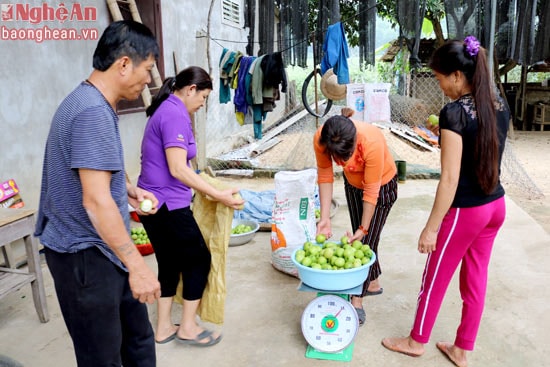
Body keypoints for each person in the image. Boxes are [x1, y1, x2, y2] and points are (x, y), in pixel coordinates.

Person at [34, 20, 161, 367]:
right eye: (148, 69)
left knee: (137, 340)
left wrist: (127, 190)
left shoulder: (88, 102)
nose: (149, 79)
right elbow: (95, 200)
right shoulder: (92, 111)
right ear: (123, 64)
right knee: (102, 358)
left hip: (102, 251)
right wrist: (138, 265)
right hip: (85, 258)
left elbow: (95, 179)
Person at [381, 36, 510, 367]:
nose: (440, 88)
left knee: (435, 276)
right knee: (475, 280)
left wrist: (431, 228)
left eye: (440, 79)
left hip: (467, 210)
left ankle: (415, 341)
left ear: (456, 75)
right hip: (495, 206)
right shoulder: (498, 104)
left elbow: (450, 180)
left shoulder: (454, 114)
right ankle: (462, 349)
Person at [137, 66, 244, 346]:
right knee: (198, 259)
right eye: (204, 97)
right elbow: (177, 169)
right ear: (190, 89)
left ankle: (162, 328)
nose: (203, 103)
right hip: (167, 206)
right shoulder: (174, 114)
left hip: (153, 204)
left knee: (169, 263)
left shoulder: (166, 109)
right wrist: (218, 195)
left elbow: (182, 166)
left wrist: (213, 189)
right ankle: (187, 327)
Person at [313, 107, 398, 325]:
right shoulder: (321, 138)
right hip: (353, 186)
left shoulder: (371, 142)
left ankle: (357, 300)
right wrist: (325, 218)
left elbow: (372, 191)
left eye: (346, 157)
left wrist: (363, 228)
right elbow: (325, 174)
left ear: (354, 144)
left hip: (382, 188)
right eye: (336, 158)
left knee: (365, 241)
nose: (341, 164)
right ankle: (373, 283)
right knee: (363, 240)